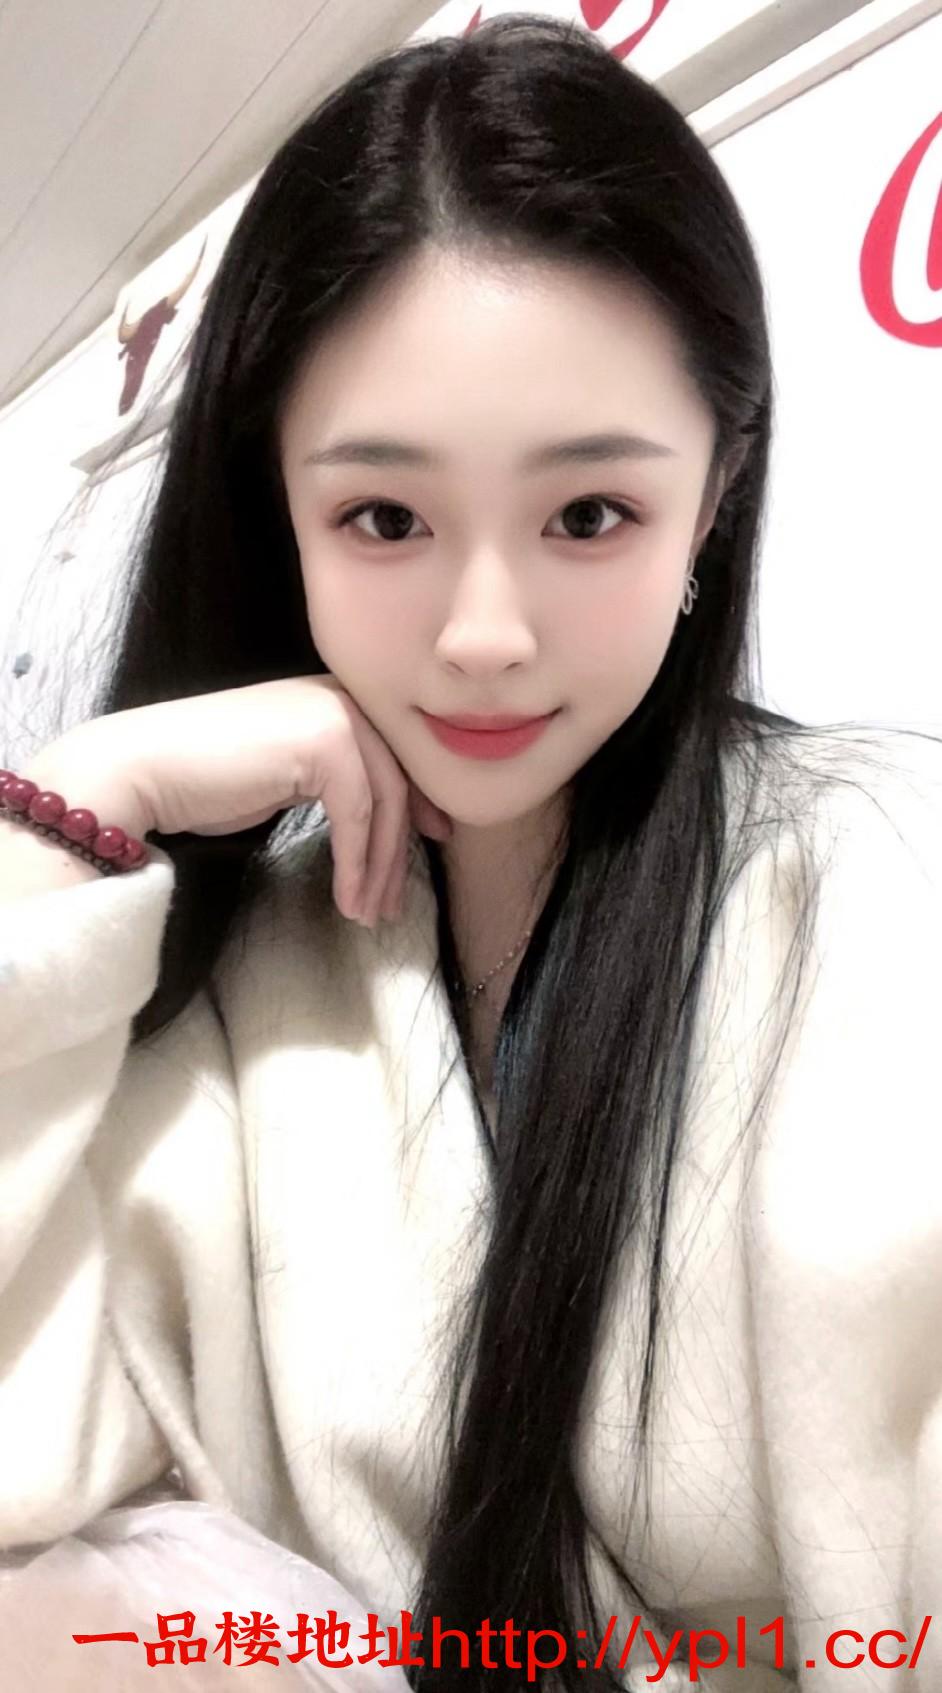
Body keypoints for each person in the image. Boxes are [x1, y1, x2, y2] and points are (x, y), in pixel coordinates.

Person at [1, 13, 940, 1692]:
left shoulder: (887, 887)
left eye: (587, 514)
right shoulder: (243, 984)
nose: (484, 634)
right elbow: (26, 1449)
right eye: (383, 518)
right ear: (277, 510)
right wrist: (80, 795)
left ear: (715, 494)